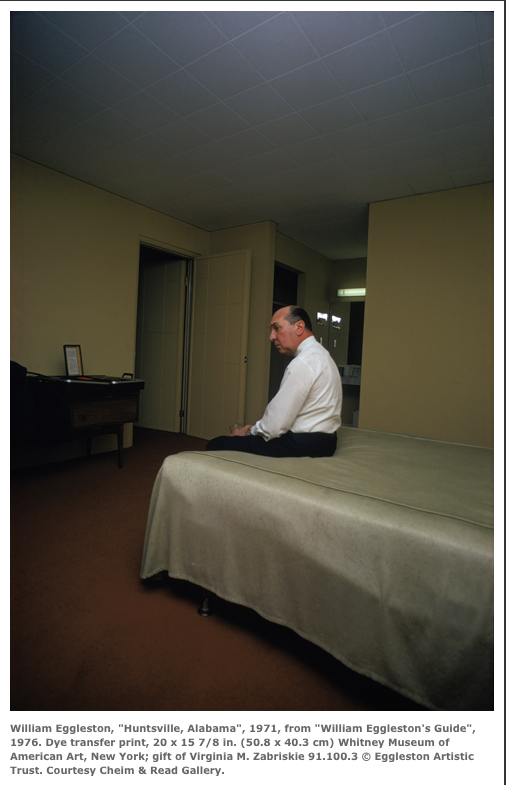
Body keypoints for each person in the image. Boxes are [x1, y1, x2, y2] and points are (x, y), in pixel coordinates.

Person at [205, 305, 342, 457]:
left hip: (304, 444)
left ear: (299, 327)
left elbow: (274, 426)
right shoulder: (323, 355)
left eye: (277, 328)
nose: (271, 337)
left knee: (217, 444)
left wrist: (248, 431)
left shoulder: (303, 362)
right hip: (327, 442)